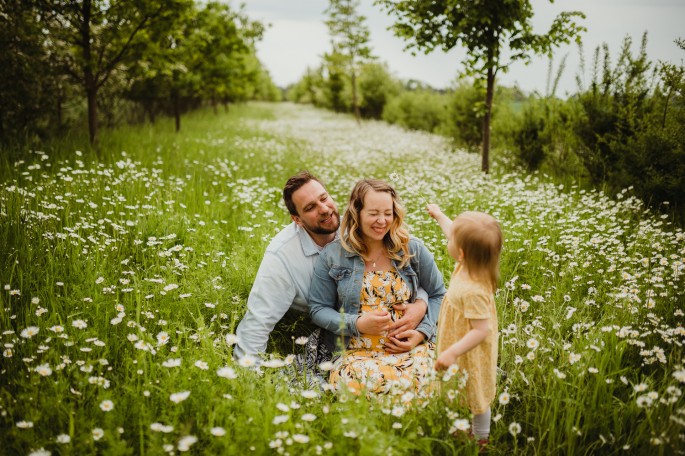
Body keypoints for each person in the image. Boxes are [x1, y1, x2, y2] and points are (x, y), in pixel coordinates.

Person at [234, 171, 430, 362]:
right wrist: (249, 372)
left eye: (324, 198)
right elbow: (259, 320)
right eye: (310, 207)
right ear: (297, 219)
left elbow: (406, 271)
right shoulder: (282, 258)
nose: (324, 209)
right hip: (343, 341)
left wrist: (420, 305)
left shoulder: (358, 226)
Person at [308, 179, 446, 397]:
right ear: (357, 213)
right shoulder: (334, 255)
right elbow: (318, 309)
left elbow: (439, 294)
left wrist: (421, 332)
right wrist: (358, 323)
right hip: (357, 353)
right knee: (359, 385)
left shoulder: (412, 249)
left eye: (388, 213)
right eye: (373, 213)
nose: (382, 221)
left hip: (412, 348)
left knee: (437, 377)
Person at [426, 204, 503, 447]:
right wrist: (439, 215)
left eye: (453, 240)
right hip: (459, 340)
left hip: (471, 350)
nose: (449, 238)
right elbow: (453, 232)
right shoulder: (471, 262)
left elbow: (481, 330)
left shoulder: (474, 288)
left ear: (461, 253)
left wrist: (452, 351)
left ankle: (481, 439)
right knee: (462, 387)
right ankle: (465, 427)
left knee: (477, 393)